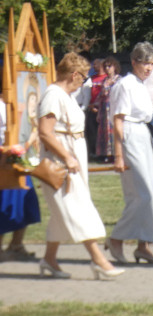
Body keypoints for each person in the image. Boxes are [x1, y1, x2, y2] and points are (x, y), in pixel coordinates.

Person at [36, 52, 124, 280]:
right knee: (77, 208)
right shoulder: (53, 95)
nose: (84, 82)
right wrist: (67, 157)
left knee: (63, 211)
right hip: (60, 162)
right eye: (83, 77)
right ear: (74, 75)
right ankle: (98, 259)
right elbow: (45, 132)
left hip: (73, 155)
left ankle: (49, 259)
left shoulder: (65, 96)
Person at [109, 41, 153, 264]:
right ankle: (117, 238)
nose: (149, 68)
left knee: (150, 195)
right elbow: (118, 121)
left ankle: (144, 245)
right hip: (129, 136)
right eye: (145, 63)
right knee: (140, 195)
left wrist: (151, 154)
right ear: (134, 62)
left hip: (142, 135)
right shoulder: (125, 85)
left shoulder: (142, 85)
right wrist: (118, 155)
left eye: (152, 64)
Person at [0, 93, 41, 262]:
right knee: (5, 204)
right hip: (4, 158)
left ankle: (16, 245)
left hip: (20, 156)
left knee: (26, 202)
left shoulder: (16, 103)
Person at [96, 56, 121, 161]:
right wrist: (98, 113)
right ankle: (106, 154)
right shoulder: (104, 80)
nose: (107, 68)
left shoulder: (119, 79)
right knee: (104, 131)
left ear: (114, 67)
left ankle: (116, 154)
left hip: (114, 107)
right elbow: (101, 97)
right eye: (105, 66)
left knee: (114, 130)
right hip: (104, 109)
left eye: (109, 66)